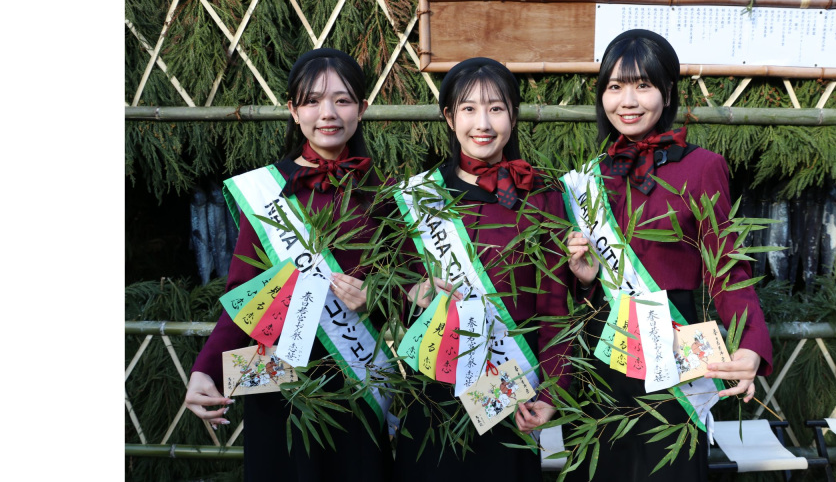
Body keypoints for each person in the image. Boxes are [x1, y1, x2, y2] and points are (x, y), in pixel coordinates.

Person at [563, 29, 774, 481]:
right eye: (615, 86)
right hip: (605, 355)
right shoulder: (589, 179)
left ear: (668, 92)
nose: (628, 99)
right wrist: (582, 278)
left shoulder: (702, 167)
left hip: (677, 354)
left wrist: (751, 344)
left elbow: (727, 267)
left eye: (643, 84)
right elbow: (572, 293)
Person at [184, 48, 393, 482]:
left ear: (363, 109)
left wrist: (377, 297)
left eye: (343, 99)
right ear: (293, 110)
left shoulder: (386, 198)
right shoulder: (264, 191)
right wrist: (206, 368)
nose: (328, 113)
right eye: (313, 101)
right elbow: (247, 295)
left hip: (356, 385)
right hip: (277, 380)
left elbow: (411, 298)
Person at [391, 57, 571, 482]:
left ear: (513, 114)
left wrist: (552, 393)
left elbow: (556, 309)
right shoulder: (418, 198)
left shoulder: (543, 194)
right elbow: (391, 299)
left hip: (511, 391)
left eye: (496, 107)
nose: (482, 122)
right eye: (468, 109)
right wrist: (408, 294)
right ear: (449, 117)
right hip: (436, 389)